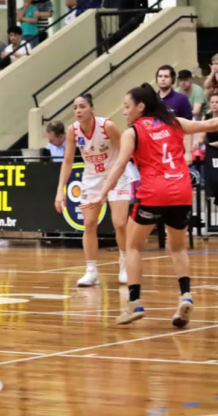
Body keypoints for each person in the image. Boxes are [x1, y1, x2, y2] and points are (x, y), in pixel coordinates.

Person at [83, 83, 218, 326]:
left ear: (140, 107)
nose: (124, 112)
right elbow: (210, 125)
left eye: (127, 106)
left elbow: (120, 165)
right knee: (177, 249)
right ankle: (185, 295)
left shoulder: (132, 132)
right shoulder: (173, 121)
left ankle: (134, 303)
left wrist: (101, 194)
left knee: (133, 246)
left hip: (155, 192)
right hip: (181, 190)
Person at [55, 94, 129, 287]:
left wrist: (119, 173)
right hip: (91, 179)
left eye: (82, 106)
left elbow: (125, 150)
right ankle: (91, 270)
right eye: (75, 107)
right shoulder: (73, 131)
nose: (78, 110)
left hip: (116, 175)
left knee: (120, 223)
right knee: (89, 223)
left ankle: (125, 264)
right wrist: (60, 190)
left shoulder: (108, 126)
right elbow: (68, 161)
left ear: (92, 109)